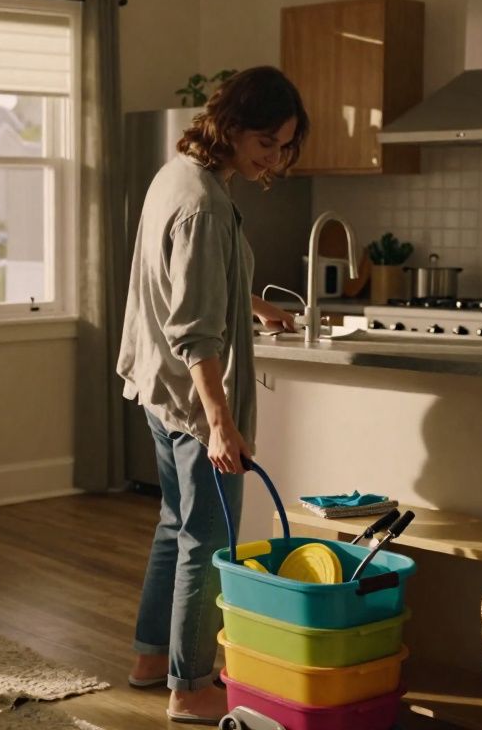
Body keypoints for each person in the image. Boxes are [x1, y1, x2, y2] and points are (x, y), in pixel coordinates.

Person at [116, 66, 309, 724]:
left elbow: (189, 283)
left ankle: (152, 657)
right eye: (266, 140)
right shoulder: (204, 203)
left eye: (284, 145)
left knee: (177, 526)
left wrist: (251, 304)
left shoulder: (181, 176)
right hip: (192, 401)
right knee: (208, 540)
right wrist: (220, 422)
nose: (274, 157)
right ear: (229, 124)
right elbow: (195, 332)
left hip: (157, 388)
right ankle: (190, 686)